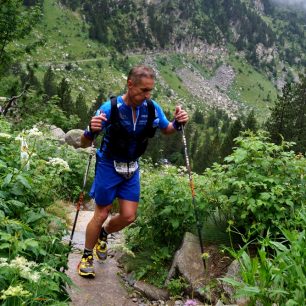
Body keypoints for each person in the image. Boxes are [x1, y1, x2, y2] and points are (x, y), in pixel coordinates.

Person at [78, 65, 188, 277]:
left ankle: (103, 234)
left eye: (150, 90)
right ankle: (86, 256)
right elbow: (84, 142)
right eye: (143, 90)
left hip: (132, 167)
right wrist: (91, 130)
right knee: (102, 212)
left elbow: (166, 129)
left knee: (129, 216)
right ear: (130, 84)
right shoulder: (109, 108)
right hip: (109, 164)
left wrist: (178, 122)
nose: (147, 95)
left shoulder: (152, 107)